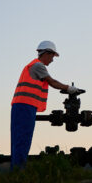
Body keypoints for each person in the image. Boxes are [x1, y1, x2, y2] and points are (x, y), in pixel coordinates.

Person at [10, 41, 82, 170]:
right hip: (25, 106)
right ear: (47, 53)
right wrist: (69, 88)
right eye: (52, 56)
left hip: (21, 105)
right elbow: (52, 82)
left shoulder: (32, 65)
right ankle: (18, 171)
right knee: (23, 139)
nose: (52, 60)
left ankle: (16, 170)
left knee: (18, 139)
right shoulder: (38, 66)